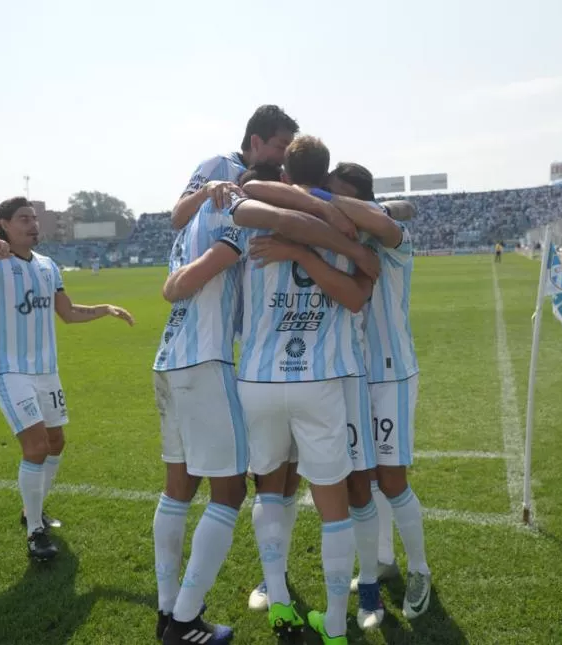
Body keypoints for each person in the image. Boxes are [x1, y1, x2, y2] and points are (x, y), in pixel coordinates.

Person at [158, 158, 377, 644]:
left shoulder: (250, 215)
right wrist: (347, 248)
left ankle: (279, 599)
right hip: (321, 378)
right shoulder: (346, 223)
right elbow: (363, 281)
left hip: (258, 380)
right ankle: (338, 624)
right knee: (332, 504)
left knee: (268, 492)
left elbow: (269, 216)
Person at [0, 196, 134, 561]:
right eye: (24, 218)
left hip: (46, 371)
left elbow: (68, 313)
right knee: (37, 446)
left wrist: (105, 309)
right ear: (4, 224)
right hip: (9, 370)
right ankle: (35, 530)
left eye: (35, 218)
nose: (34, 224)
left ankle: (31, 509)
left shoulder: (47, 266)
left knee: (56, 442)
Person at [325, 162, 432, 619]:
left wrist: (328, 201)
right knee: (366, 480)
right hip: (357, 375)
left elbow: (395, 214)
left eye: (338, 195)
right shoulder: (347, 241)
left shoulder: (393, 237)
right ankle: (384, 561)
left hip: (392, 375)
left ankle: (421, 570)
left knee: (392, 479)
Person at [169, 105, 299, 232]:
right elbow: (177, 218)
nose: (286, 156)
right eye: (281, 147)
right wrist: (205, 191)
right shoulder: (218, 165)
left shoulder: (280, 178)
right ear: (256, 142)